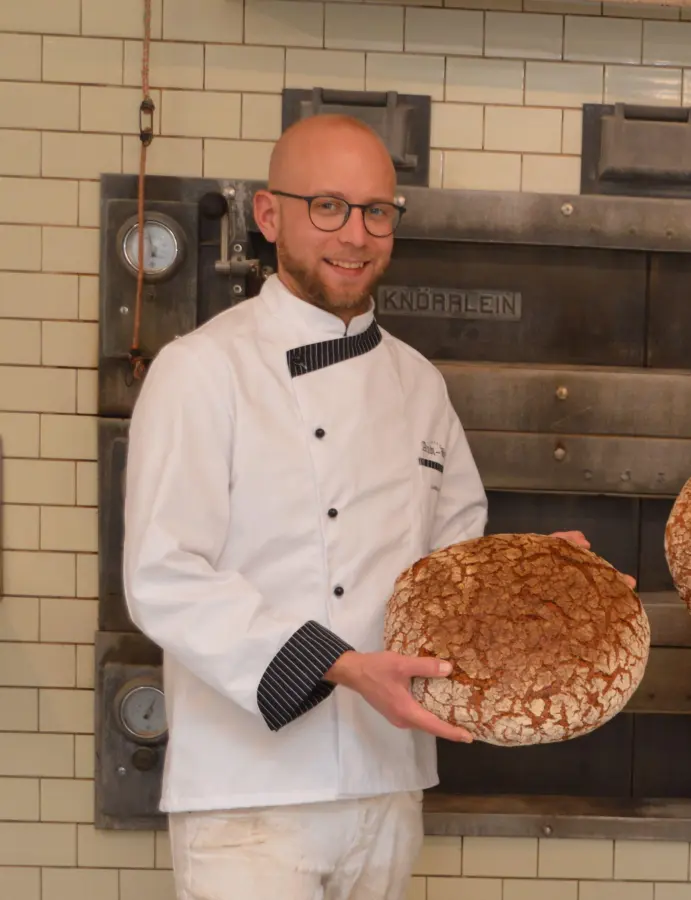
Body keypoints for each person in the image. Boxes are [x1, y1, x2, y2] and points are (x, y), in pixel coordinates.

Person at [122, 114, 605, 900]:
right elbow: (163, 576)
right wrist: (340, 665)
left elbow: (450, 567)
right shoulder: (202, 371)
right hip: (251, 795)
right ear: (269, 216)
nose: (356, 234)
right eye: (328, 207)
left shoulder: (419, 384)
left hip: (387, 782)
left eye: (377, 211)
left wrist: (528, 577)